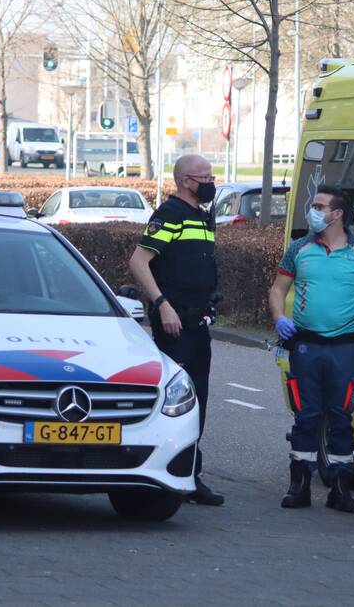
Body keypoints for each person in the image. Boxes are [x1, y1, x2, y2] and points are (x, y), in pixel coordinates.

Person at [267, 184, 354, 513]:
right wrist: (279, 317)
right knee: (306, 416)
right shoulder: (299, 249)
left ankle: (340, 487)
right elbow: (278, 288)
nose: (314, 210)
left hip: (345, 348)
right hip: (306, 345)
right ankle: (300, 485)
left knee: (341, 416)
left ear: (337, 214)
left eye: (320, 206)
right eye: (315, 205)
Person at [128, 154, 224, 506]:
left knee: (199, 398)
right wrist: (162, 304)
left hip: (198, 322)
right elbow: (139, 261)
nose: (211, 181)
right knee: (176, 402)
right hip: (175, 322)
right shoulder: (170, 215)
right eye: (205, 176)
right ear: (186, 181)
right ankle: (167, 473)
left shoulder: (201, 215)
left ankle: (190, 474)